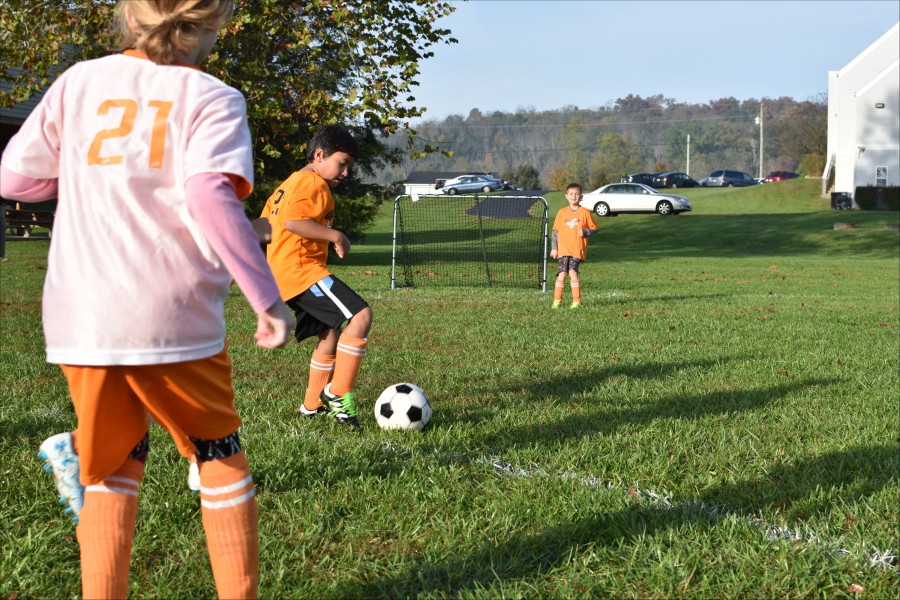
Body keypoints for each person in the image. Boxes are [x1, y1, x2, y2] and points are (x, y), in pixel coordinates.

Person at [0, 1, 295, 597]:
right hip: (169, 314)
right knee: (219, 454)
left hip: (82, 315)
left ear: (127, 17)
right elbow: (210, 193)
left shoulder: (78, 81)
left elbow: (15, 179)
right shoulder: (212, 97)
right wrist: (266, 296)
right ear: (213, 25)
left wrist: (88, 175)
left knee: (115, 460)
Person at [260, 125, 372, 427]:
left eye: (349, 166)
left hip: (285, 275)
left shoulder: (288, 184)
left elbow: (266, 226)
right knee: (361, 315)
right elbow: (295, 223)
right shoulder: (313, 184)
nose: (345, 172)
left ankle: (311, 406)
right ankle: (338, 392)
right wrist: (335, 234)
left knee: (329, 334)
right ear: (319, 155)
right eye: (342, 163)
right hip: (302, 272)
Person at [549, 183, 599, 309]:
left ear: (581, 197)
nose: (574, 196)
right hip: (563, 250)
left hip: (577, 249)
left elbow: (594, 228)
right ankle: (557, 300)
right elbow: (555, 231)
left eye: (577, 194)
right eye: (571, 194)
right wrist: (554, 248)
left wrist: (585, 232)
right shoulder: (562, 212)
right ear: (566, 196)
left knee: (572, 272)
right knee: (561, 274)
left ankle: (576, 301)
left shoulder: (585, 212)